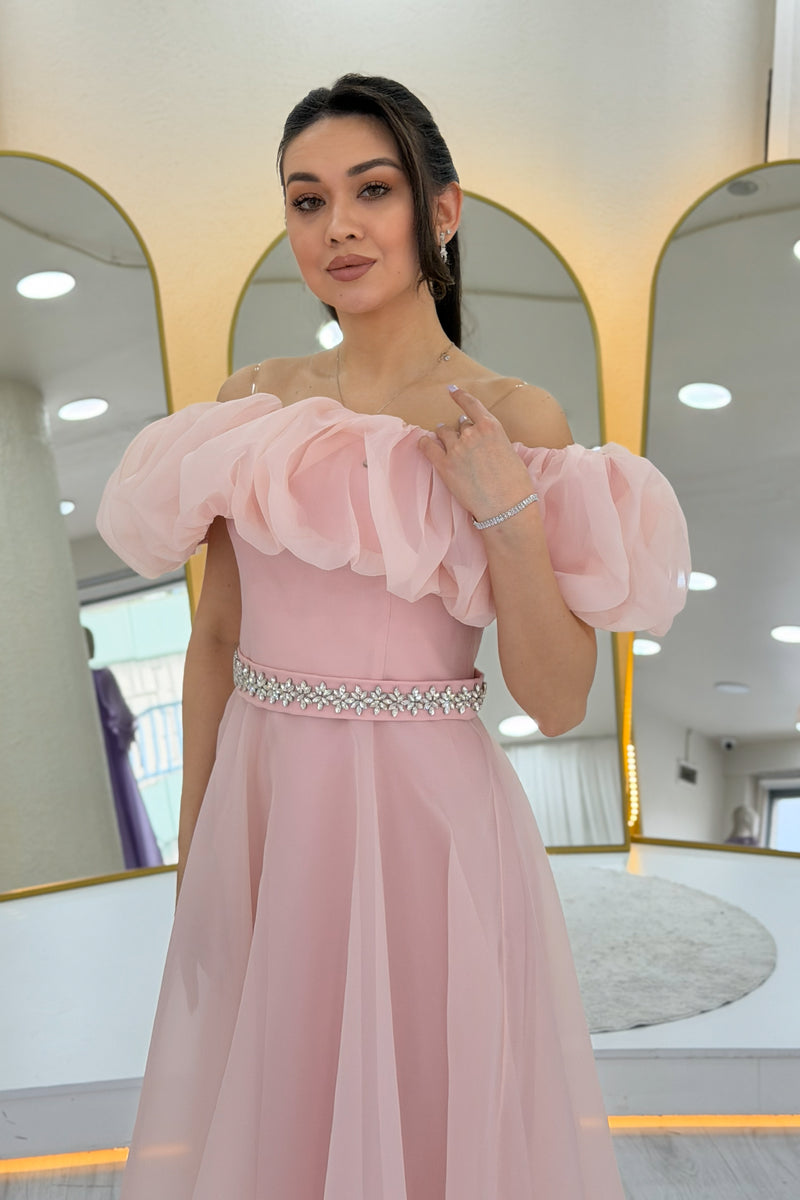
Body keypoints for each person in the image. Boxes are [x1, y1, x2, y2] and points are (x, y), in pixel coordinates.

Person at [97, 73, 690, 1200]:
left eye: (372, 190)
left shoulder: (510, 417)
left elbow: (558, 702)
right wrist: (197, 863)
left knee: (431, 1120)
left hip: (431, 824)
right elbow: (218, 635)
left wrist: (504, 509)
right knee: (276, 1114)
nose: (339, 226)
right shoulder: (252, 404)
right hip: (271, 813)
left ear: (441, 211)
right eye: (307, 200)